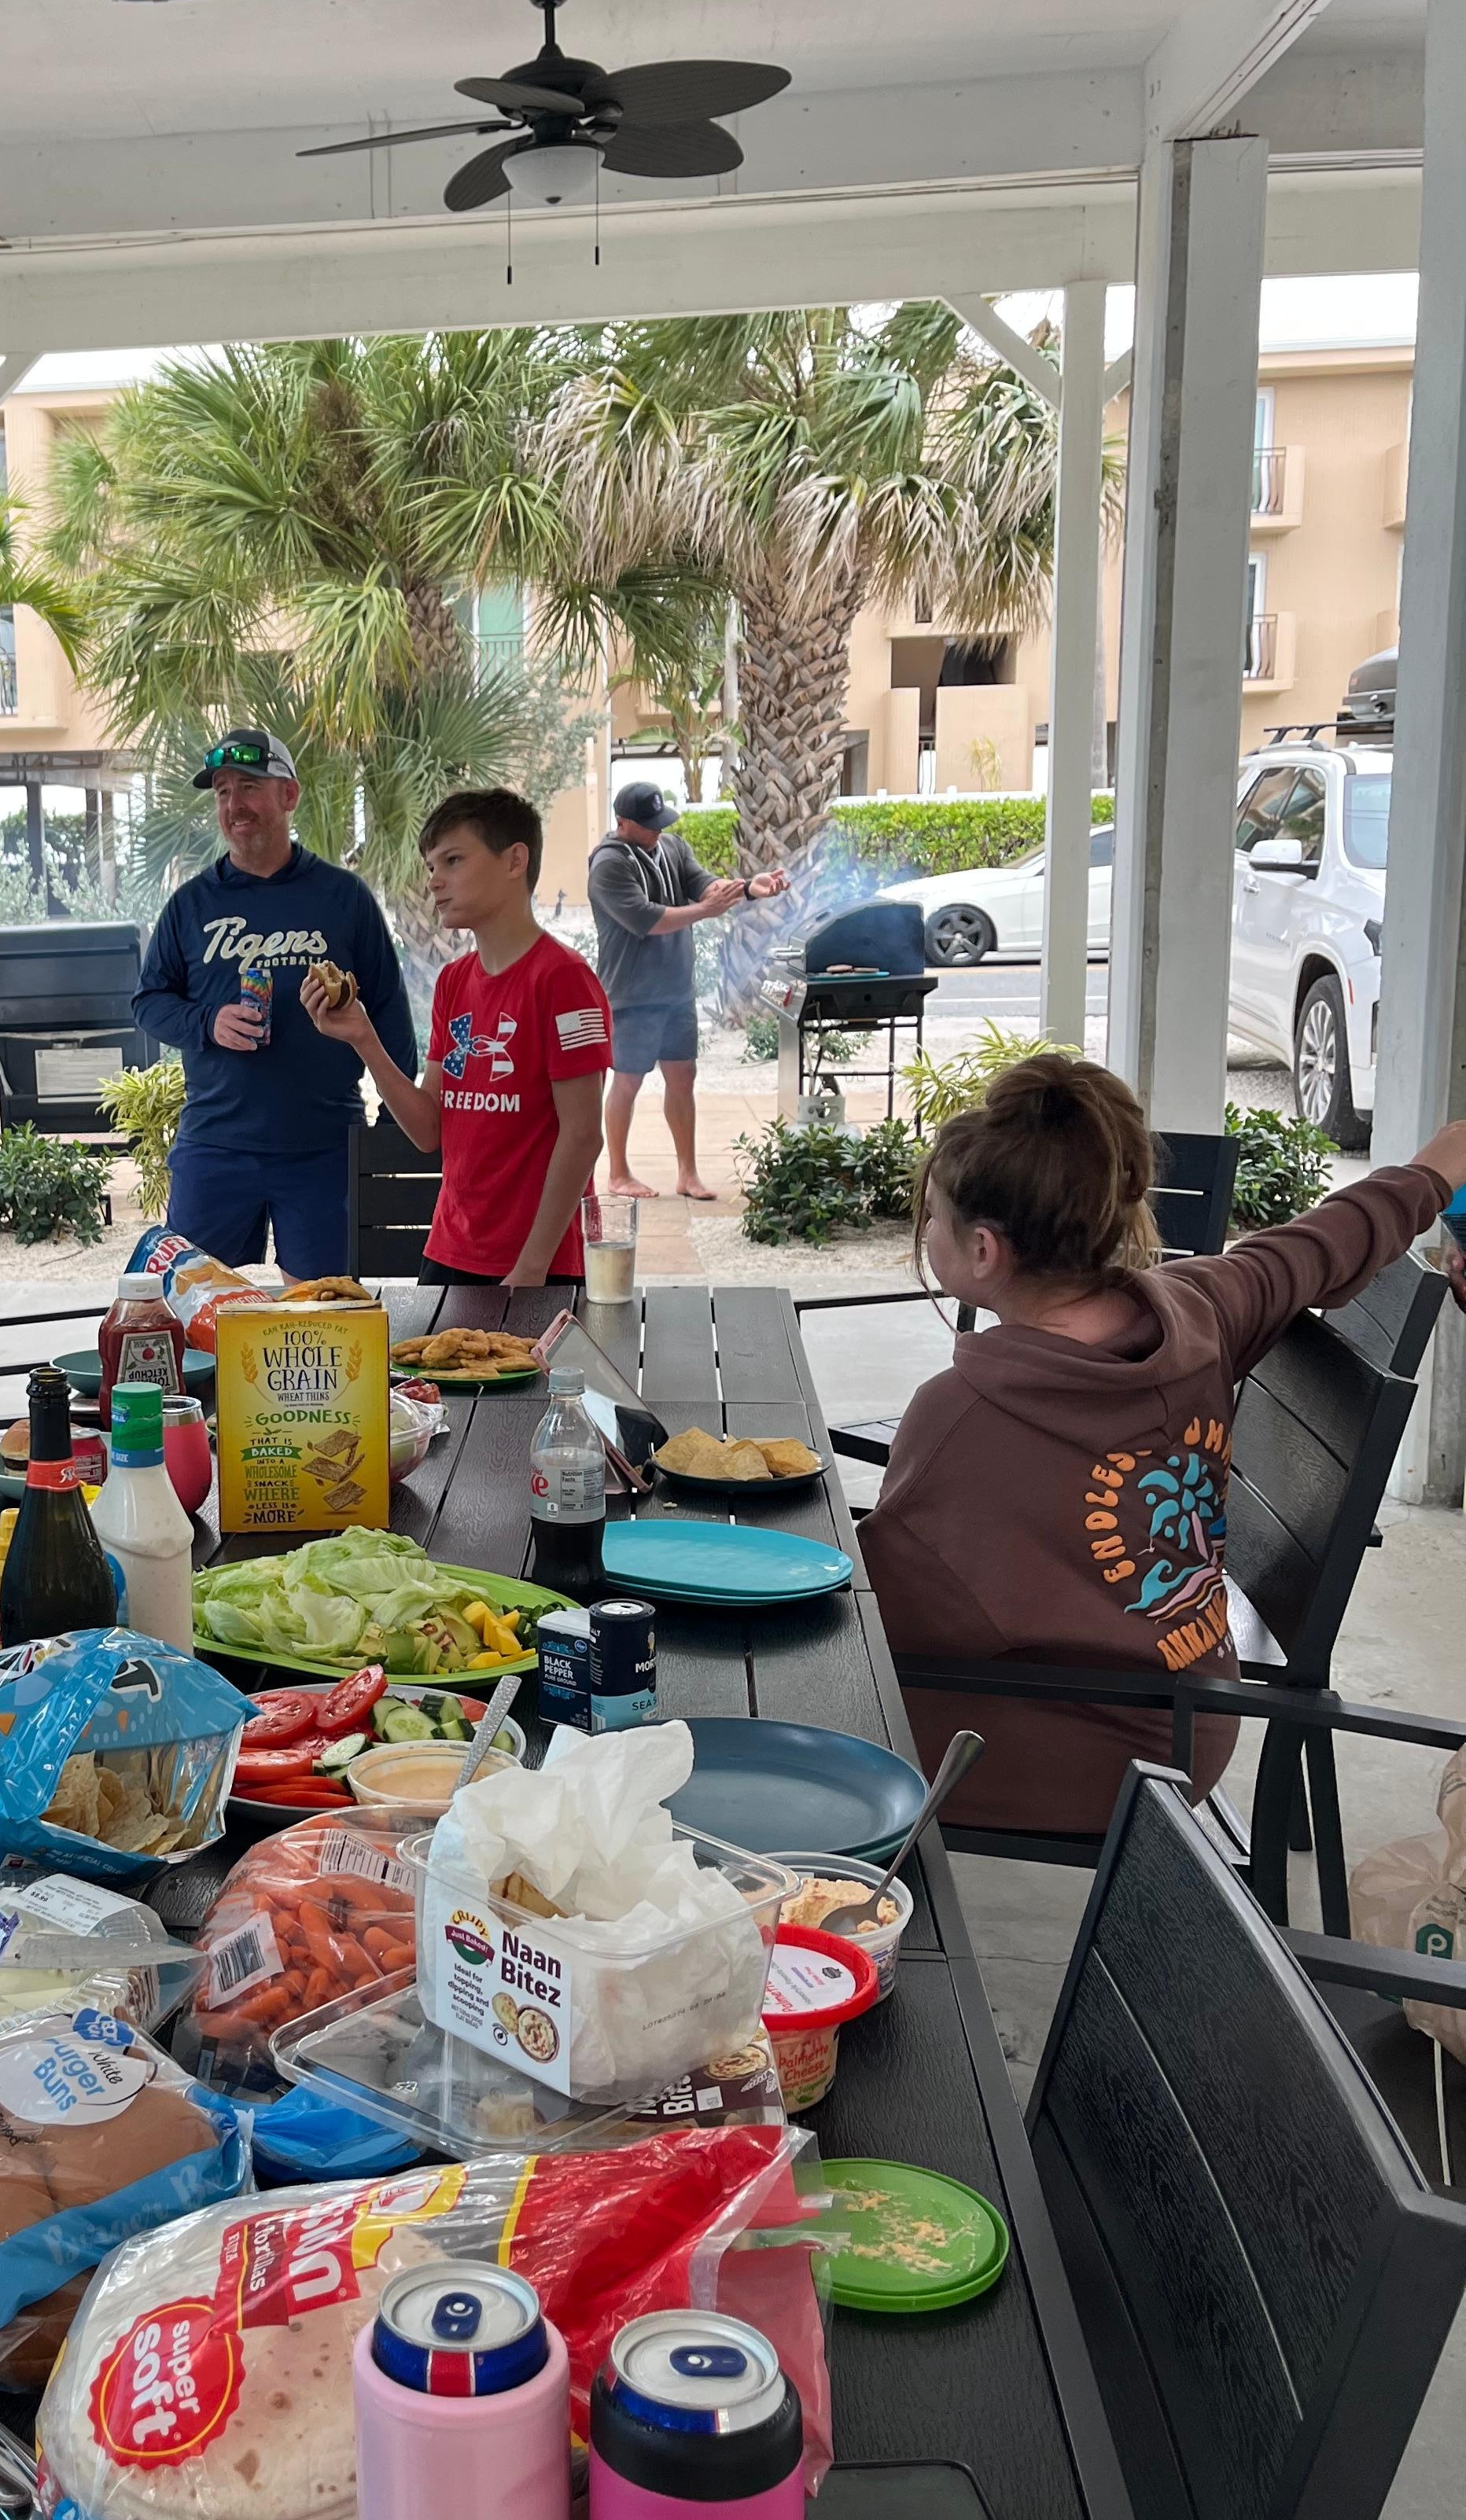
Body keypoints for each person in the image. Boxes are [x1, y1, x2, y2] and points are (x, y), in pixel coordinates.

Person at [862, 1051, 1466, 1839]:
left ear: (983, 1252)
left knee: (792, 1696)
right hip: (1191, 1714)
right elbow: (1326, 1240)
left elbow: (882, 1617)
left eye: (933, 1217)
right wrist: (1438, 1170)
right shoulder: (1200, 1307)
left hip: (1088, 1752)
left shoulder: (960, 1417)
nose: (927, 1231)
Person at [133, 727, 415, 1278]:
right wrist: (208, 1021)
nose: (234, 805)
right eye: (221, 793)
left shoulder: (344, 898)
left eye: (249, 787)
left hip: (325, 1150)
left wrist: (385, 1139)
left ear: (289, 795)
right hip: (214, 1149)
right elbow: (149, 1002)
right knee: (196, 1317)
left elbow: (390, 1019)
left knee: (326, 1324)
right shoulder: (192, 905)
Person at [307, 786, 610, 1286]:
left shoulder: (565, 980)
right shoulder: (453, 982)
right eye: (430, 867)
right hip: (451, 1251)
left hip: (538, 1265)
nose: (434, 882)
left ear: (515, 861)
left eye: (452, 861)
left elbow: (582, 1135)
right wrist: (364, 1038)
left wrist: (531, 1268)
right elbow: (430, 1131)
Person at [587, 782, 787, 1202]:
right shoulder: (608, 866)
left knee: (683, 1078)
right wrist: (705, 911)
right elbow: (648, 919)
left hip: (676, 990)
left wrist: (749, 887)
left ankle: (687, 1174)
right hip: (630, 995)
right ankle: (618, 1174)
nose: (657, 830)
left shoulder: (672, 847)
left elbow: (704, 885)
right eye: (648, 825)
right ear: (622, 822)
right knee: (627, 1081)